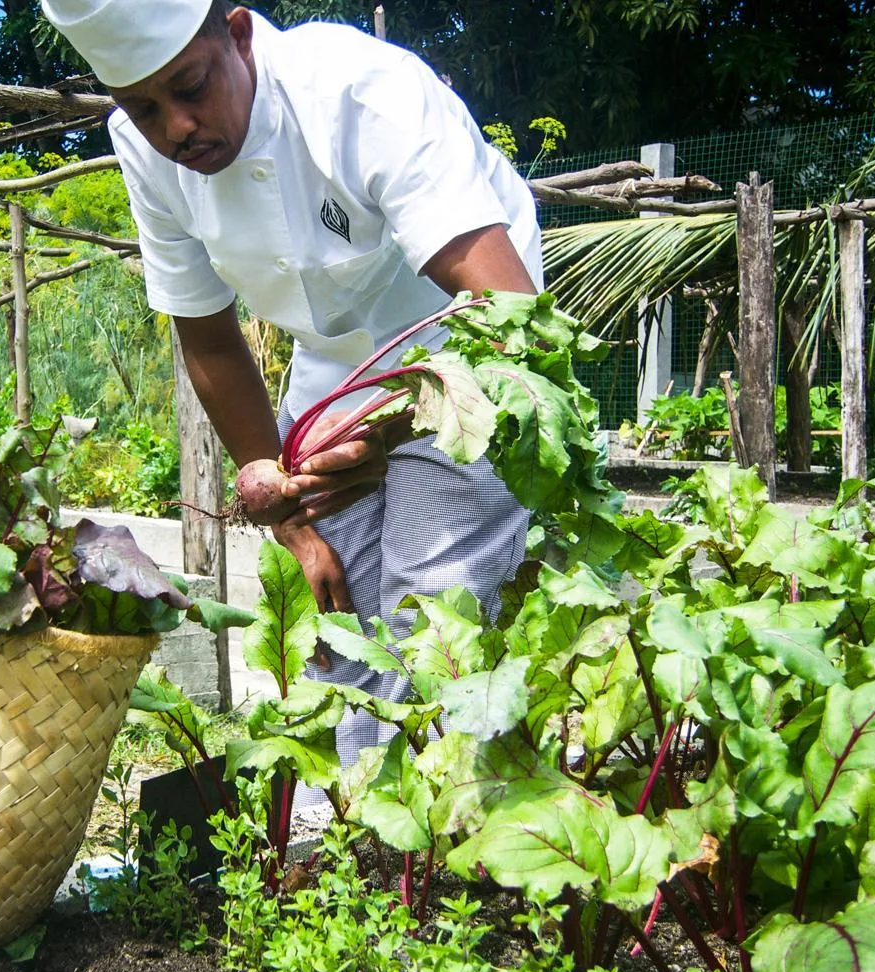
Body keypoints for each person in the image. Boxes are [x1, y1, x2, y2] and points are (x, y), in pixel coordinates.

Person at [41, 0, 544, 801]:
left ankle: (442, 847)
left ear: (237, 37)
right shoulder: (145, 149)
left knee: (431, 607)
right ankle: (345, 830)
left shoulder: (357, 94)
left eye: (192, 87)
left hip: (469, 350)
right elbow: (209, 342)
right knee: (335, 613)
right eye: (143, 108)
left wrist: (396, 430)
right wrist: (291, 520)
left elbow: (509, 311)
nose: (175, 127)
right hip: (336, 370)